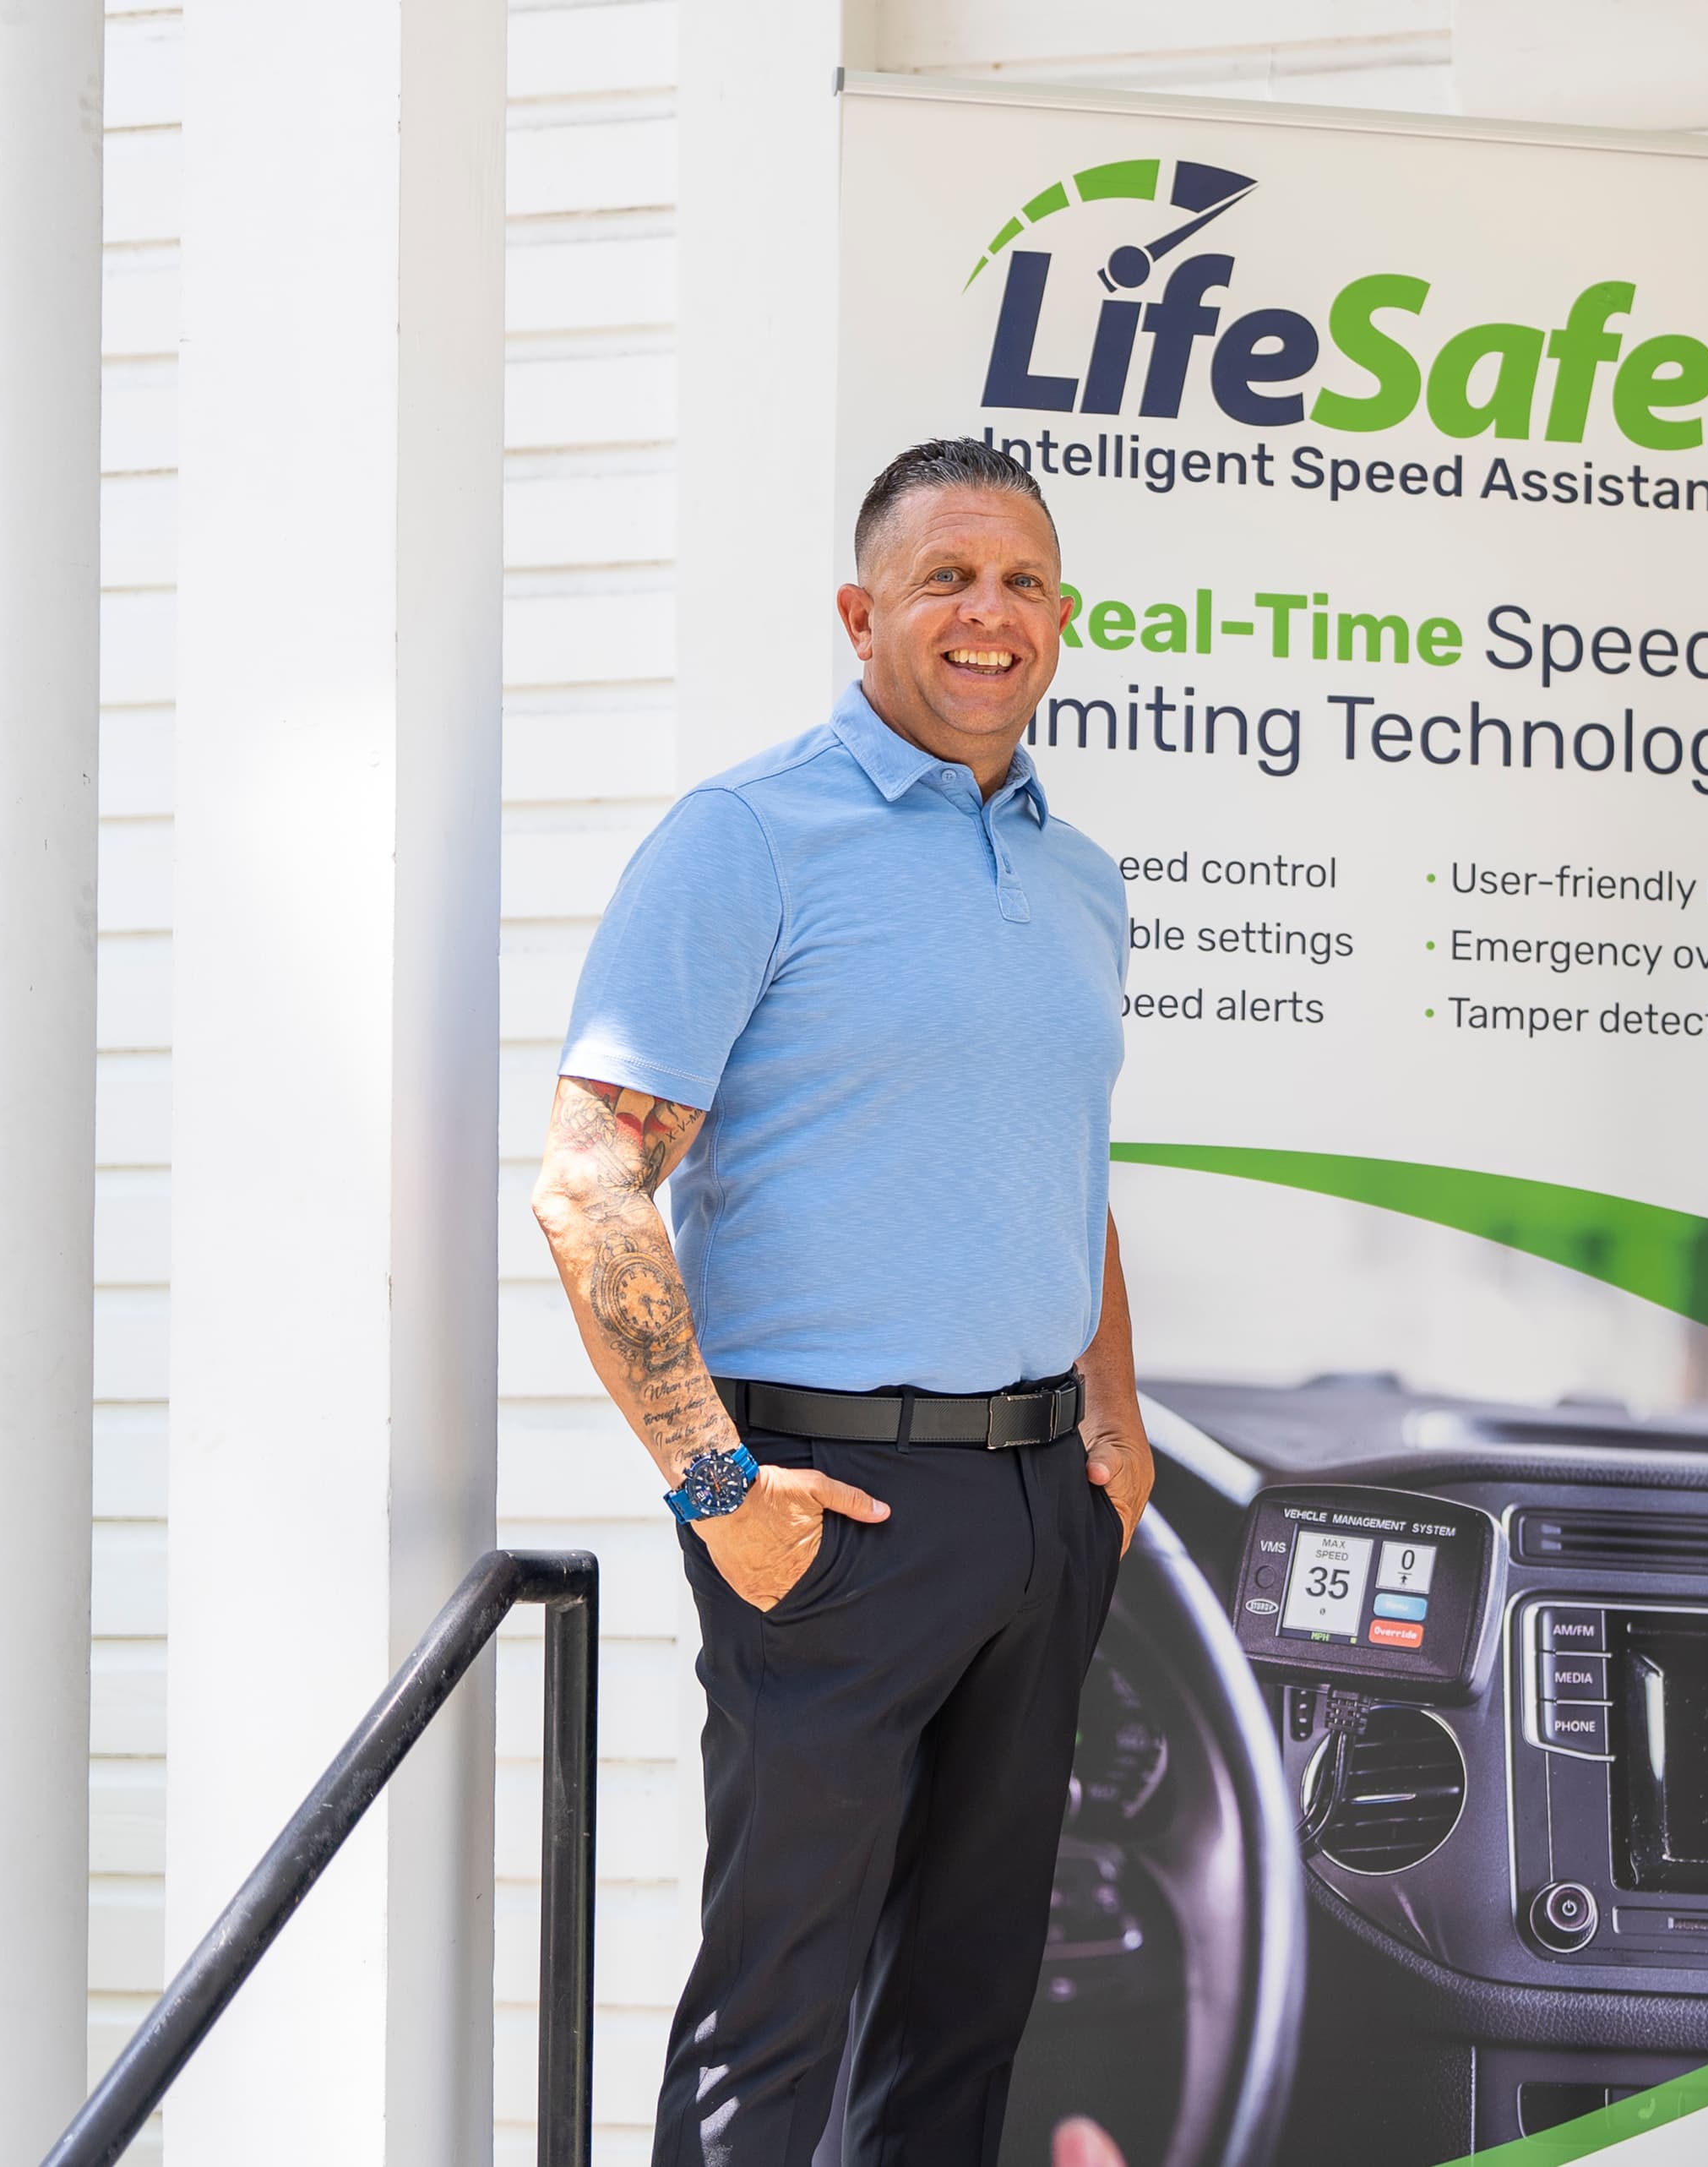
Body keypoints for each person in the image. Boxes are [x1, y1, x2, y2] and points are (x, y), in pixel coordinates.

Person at [533, 437, 1152, 2166]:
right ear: (858, 610)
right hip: (831, 1503)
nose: (988, 613)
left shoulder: (1075, 875)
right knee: (778, 2018)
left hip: (1041, 1507)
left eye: (1024, 581)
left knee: (961, 2017)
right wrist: (717, 1488)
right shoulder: (751, 838)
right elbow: (592, 1181)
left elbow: (1066, 1159)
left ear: (1063, 619)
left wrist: (1112, 1419)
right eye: (947, 577)